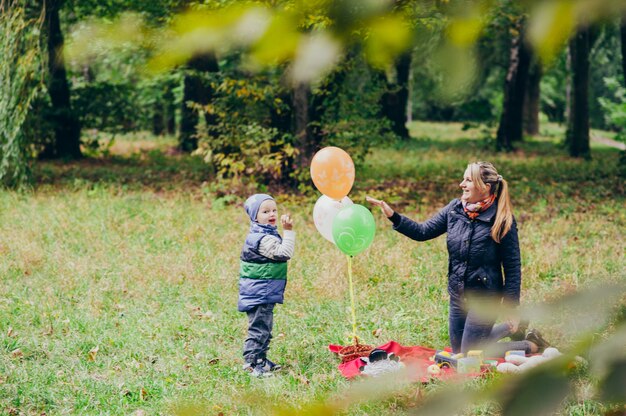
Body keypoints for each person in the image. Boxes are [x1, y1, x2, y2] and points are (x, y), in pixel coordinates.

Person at [367, 161, 549, 357]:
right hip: (459, 294)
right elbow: (423, 232)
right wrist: (393, 216)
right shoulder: (455, 209)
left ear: (485, 187)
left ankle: (530, 345)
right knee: (458, 352)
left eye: (468, 180)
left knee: (470, 353)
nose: (462, 184)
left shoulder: (502, 219)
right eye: (463, 179)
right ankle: (510, 327)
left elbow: (512, 266)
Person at [239, 193, 295, 377]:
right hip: (259, 292)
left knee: (265, 328)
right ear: (255, 216)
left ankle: (261, 360)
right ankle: (251, 363)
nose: (271, 214)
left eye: (273, 210)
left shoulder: (265, 233)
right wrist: (289, 231)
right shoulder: (262, 238)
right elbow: (284, 253)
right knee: (259, 329)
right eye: (265, 211)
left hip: (264, 290)